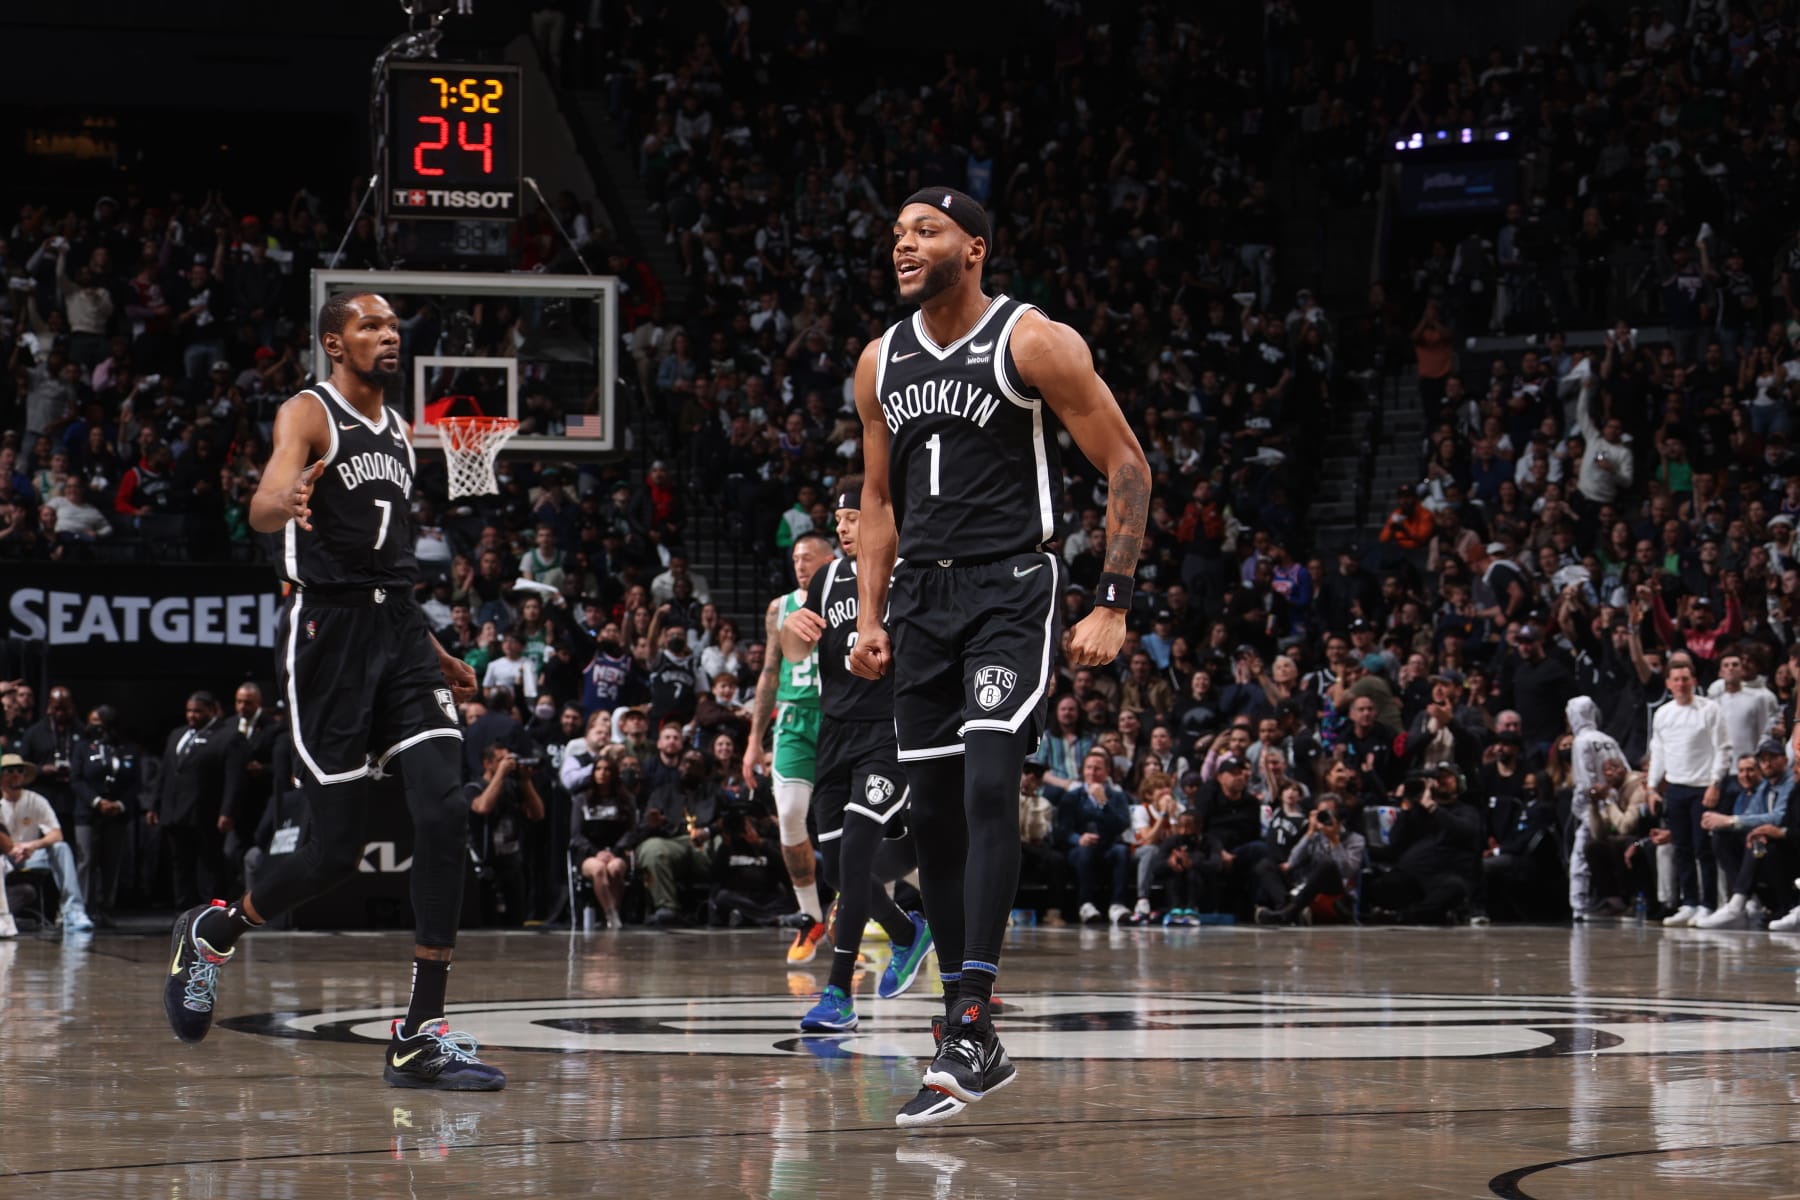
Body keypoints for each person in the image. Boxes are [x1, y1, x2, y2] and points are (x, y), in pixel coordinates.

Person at [850, 187, 1148, 1126]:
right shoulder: (879, 361)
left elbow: (1127, 463)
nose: (904, 245)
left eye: (925, 231)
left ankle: (975, 1016)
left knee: (988, 787)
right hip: (920, 600)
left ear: (974, 248)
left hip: (1011, 585)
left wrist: (1114, 600)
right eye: (897, 234)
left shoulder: (1031, 340)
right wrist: (868, 616)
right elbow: (877, 501)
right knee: (935, 813)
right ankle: (962, 1031)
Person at [160, 291, 501, 1091]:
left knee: (445, 810)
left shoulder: (401, 432)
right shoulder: (308, 413)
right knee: (333, 853)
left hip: (399, 631)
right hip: (328, 637)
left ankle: (419, 1034)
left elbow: (389, 566)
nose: (388, 336)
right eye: (369, 326)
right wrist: (281, 501)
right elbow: (262, 502)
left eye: (393, 326)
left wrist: (435, 649)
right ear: (334, 343)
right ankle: (214, 931)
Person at [779, 482, 932, 1033]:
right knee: (837, 865)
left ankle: (839, 994)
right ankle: (907, 932)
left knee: (856, 850)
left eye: (853, 517)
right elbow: (797, 651)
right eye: (839, 520)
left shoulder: (909, 573)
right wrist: (790, 632)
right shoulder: (826, 579)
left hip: (888, 731)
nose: (843, 528)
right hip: (835, 731)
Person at [743, 531, 835, 962]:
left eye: (808, 557)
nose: (800, 565)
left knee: (857, 823)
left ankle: (859, 912)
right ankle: (810, 916)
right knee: (791, 816)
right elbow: (769, 672)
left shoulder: (852, 593)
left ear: (829, 560)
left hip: (840, 718)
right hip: (795, 720)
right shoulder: (780, 607)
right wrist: (752, 741)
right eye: (796, 558)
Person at [1648, 661, 1732, 927]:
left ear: (1693, 681)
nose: (1681, 684)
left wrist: (1715, 783)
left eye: (1685, 679)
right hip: (1675, 787)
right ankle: (1689, 902)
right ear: (1668, 684)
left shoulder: (1709, 709)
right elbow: (1658, 751)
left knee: (1703, 848)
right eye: (1676, 679)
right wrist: (1652, 786)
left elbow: (1723, 748)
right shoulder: (1663, 713)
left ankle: (1708, 904)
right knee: (1681, 848)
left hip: (1703, 786)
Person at [149, 693, 233, 910]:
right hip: (174, 813)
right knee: (179, 866)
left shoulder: (227, 736)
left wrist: (227, 811)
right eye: (189, 711)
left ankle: (210, 914)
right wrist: (155, 805)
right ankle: (183, 914)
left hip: (204, 813)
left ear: (211, 710)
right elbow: (165, 773)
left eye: (197, 711)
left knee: (208, 866)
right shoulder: (177, 734)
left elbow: (233, 780)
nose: (192, 715)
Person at [0, 752, 95, 934]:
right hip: (5, 857)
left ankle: (73, 911)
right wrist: (11, 849)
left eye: (19, 770)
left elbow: (56, 834)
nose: (16, 775)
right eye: (10, 771)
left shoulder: (35, 800)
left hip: (31, 855)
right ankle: (3, 917)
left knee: (61, 848)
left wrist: (32, 845)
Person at [467, 743, 546, 926]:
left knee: (516, 923)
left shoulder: (513, 787)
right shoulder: (473, 787)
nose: (507, 764)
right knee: (488, 924)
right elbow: (483, 807)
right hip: (485, 867)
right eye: (501, 760)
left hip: (512, 864)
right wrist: (501, 773)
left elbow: (538, 814)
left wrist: (525, 781)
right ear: (487, 764)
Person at [1565, 696, 1627, 920]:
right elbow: (1625, 770)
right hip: (1614, 804)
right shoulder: (1608, 739)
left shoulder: (1581, 741)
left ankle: (1579, 906)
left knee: (1581, 856)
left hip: (1594, 807)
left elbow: (1585, 780)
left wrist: (1587, 806)